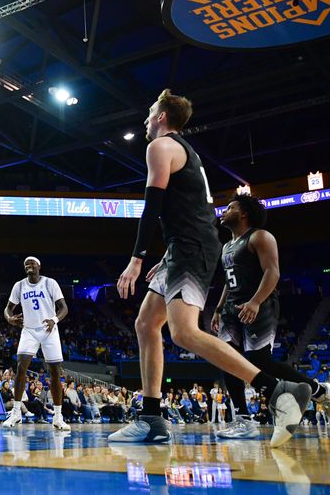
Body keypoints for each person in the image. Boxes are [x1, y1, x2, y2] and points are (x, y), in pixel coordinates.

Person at [111, 89, 311, 447]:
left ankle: (279, 391)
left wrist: (136, 258)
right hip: (184, 246)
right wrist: (169, 254)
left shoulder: (160, 146)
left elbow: (152, 207)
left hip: (191, 247)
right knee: (146, 323)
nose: (145, 118)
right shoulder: (182, 151)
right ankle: (152, 417)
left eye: (150, 111)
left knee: (184, 333)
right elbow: (187, 212)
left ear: (161, 117)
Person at [212, 194, 330, 439]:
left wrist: (255, 301)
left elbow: (272, 272)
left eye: (230, 207)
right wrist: (217, 308)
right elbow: (228, 281)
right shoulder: (226, 246)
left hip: (259, 303)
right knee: (226, 359)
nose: (224, 210)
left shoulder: (260, 236)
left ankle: (318, 390)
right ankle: (243, 420)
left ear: (244, 213)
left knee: (259, 361)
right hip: (232, 307)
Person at [2, 256, 69, 431]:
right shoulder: (19, 285)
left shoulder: (50, 283)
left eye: (32, 263)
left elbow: (64, 308)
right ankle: (16, 413)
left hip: (49, 330)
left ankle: (58, 416)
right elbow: (8, 308)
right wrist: (9, 318)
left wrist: (55, 319)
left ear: (39, 266)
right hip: (29, 330)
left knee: (55, 372)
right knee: (21, 368)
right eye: (26, 264)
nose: (29, 266)